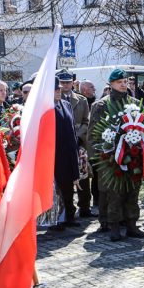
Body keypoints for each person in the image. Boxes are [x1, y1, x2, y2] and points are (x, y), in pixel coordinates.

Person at [88, 68, 138, 238]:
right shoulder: (100, 105)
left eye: (126, 82)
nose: (124, 85)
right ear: (111, 84)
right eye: (120, 82)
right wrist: (100, 157)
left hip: (132, 156)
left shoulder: (135, 103)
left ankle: (132, 224)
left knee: (132, 190)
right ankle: (113, 225)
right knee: (112, 192)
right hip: (109, 157)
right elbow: (93, 134)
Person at [57, 69, 93, 218]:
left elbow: (86, 121)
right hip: (63, 145)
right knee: (65, 178)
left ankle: (84, 207)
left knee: (83, 175)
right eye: (63, 83)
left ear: (73, 83)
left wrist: (77, 135)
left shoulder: (81, 99)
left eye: (68, 82)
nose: (66, 85)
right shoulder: (55, 100)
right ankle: (67, 209)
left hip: (79, 142)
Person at [52, 76, 81, 231]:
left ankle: (69, 216)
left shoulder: (66, 104)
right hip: (54, 155)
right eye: (55, 90)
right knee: (56, 190)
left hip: (69, 153)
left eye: (58, 89)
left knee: (69, 186)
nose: (58, 92)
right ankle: (56, 219)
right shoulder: (44, 108)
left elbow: (72, 129)